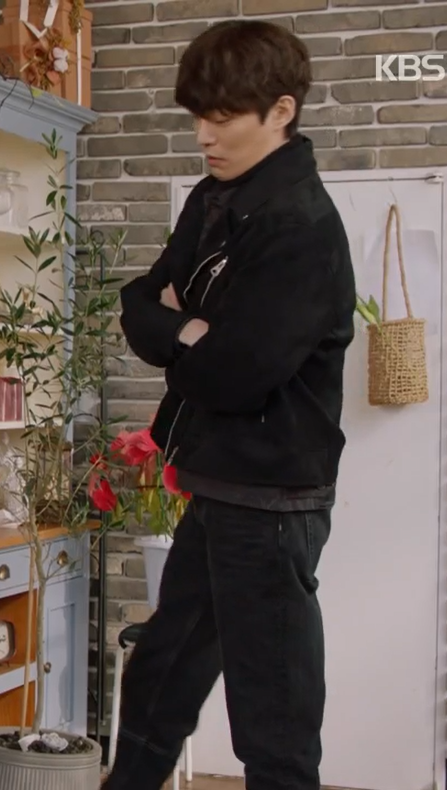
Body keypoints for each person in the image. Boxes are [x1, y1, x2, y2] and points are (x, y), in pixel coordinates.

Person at [105, 20, 355, 790]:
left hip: (271, 497)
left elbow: (235, 376)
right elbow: (139, 302)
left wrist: (182, 335)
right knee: (161, 673)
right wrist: (189, 330)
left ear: (280, 111)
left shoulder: (300, 226)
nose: (203, 137)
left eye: (221, 118)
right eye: (196, 118)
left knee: (271, 717)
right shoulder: (215, 199)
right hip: (216, 482)